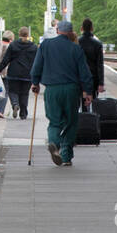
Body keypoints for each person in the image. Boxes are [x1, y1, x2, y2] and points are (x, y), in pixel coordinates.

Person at [29, 19, 93, 167]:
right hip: (71, 89)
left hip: (52, 89)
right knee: (71, 122)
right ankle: (66, 156)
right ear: (71, 32)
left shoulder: (45, 45)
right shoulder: (76, 49)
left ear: (57, 31)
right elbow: (84, 72)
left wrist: (35, 82)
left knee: (54, 121)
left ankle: (54, 143)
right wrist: (87, 92)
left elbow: (36, 66)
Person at [0, 27, 37, 120]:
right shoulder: (33, 47)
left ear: (19, 34)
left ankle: (15, 104)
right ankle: (23, 114)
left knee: (13, 91)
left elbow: (6, 59)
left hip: (14, 73)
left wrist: (0, 69)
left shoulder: (13, 45)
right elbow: (36, 62)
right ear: (28, 35)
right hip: (27, 74)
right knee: (24, 94)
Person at [76, 18, 105, 105]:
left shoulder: (76, 43)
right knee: (92, 102)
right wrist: (101, 83)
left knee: (79, 102)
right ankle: (90, 117)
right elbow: (100, 65)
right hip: (93, 78)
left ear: (81, 28)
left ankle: (82, 117)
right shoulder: (98, 44)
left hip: (79, 78)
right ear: (92, 28)